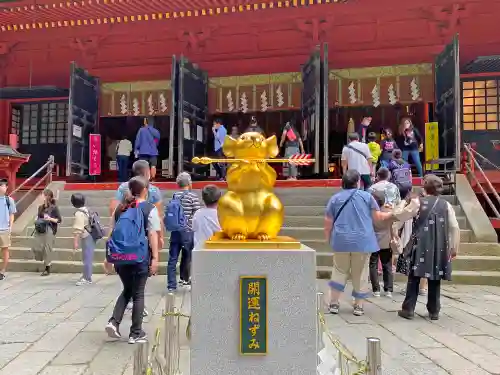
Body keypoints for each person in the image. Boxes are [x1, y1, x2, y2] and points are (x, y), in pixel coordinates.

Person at [324, 170, 393, 316]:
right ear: (358, 182)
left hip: (341, 240)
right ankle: (358, 306)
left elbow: (328, 222)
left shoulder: (335, 198)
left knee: (339, 271)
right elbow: (378, 217)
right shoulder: (367, 197)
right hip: (363, 241)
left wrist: (329, 238)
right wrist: (394, 214)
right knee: (360, 273)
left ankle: (334, 303)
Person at [396, 175, 460, 321]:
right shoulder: (446, 205)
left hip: (420, 244)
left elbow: (401, 216)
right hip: (439, 245)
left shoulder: (418, 203)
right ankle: (434, 311)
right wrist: (454, 247)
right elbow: (454, 227)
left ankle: (408, 309)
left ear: (425, 187)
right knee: (435, 278)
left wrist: (402, 204)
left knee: (414, 276)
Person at [105, 176, 160, 344]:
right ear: (145, 190)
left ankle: (114, 322)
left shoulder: (120, 208)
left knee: (128, 289)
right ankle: (135, 332)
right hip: (139, 256)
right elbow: (152, 234)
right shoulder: (149, 208)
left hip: (120, 256)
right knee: (138, 293)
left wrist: (108, 257)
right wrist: (156, 258)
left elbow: (112, 231)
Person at [166, 172, 201, 291]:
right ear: (189, 183)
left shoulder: (175, 195)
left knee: (173, 258)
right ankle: (184, 279)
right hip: (187, 231)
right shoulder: (193, 196)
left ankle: (171, 285)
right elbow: (197, 213)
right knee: (187, 256)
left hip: (175, 231)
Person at [369, 190, 396, 298]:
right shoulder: (388, 211)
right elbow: (393, 225)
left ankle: (376, 290)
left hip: (373, 240)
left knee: (373, 264)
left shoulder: (370, 212)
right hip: (386, 240)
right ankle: (388, 289)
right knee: (387, 265)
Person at [32, 189, 61, 276]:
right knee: (36, 247)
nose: (40, 196)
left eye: (42, 195)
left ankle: (47, 267)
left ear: (46, 197)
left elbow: (59, 220)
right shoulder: (40, 207)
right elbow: (39, 217)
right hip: (40, 228)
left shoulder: (54, 208)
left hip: (49, 228)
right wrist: (36, 219)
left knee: (47, 249)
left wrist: (50, 219)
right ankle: (44, 261)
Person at [71, 193, 97, 286]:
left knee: (87, 258)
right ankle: (86, 276)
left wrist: (75, 242)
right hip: (91, 234)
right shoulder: (86, 210)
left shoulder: (79, 213)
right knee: (88, 257)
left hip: (86, 236)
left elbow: (78, 229)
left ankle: (87, 278)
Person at [0, 179, 16, 281]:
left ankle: (2, 271)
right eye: (1, 185)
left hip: (5, 229)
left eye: (3, 186)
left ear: (6, 188)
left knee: (5, 250)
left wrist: (10, 227)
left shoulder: (9, 200)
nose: (2, 187)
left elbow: (12, 215)